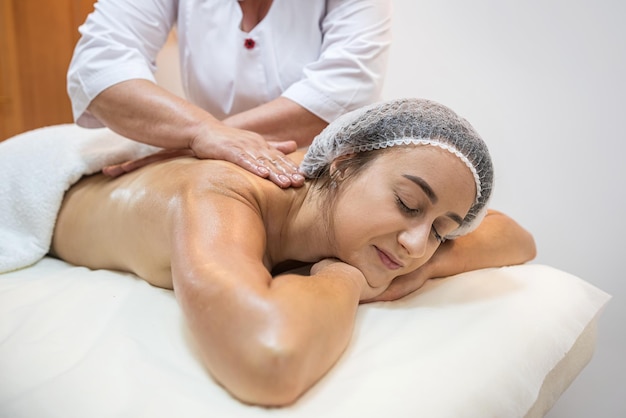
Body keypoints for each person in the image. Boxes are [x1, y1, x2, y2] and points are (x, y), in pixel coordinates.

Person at [49, 98, 536, 406]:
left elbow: (518, 238)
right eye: (408, 205)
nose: (415, 244)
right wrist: (341, 278)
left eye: (440, 232)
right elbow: (269, 361)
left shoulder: (335, 181)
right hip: (44, 179)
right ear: (343, 164)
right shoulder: (221, 197)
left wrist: (425, 268)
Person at [67, 0, 392, 188]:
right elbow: (97, 66)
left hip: (324, 172)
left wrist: (198, 143)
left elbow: (346, 88)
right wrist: (200, 132)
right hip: (211, 172)